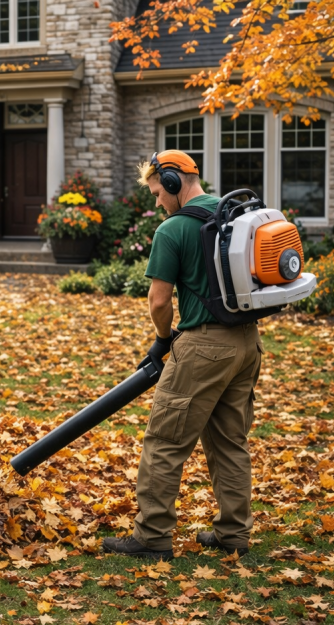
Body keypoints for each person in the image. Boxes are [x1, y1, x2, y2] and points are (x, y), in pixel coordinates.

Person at [102, 150, 262, 560]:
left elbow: (159, 302)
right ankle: (234, 534)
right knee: (230, 441)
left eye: (158, 192)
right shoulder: (234, 216)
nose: (157, 202)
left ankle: (152, 537)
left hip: (203, 346)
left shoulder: (172, 230)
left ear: (173, 183)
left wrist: (162, 338)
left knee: (165, 440)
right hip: (247, 343)